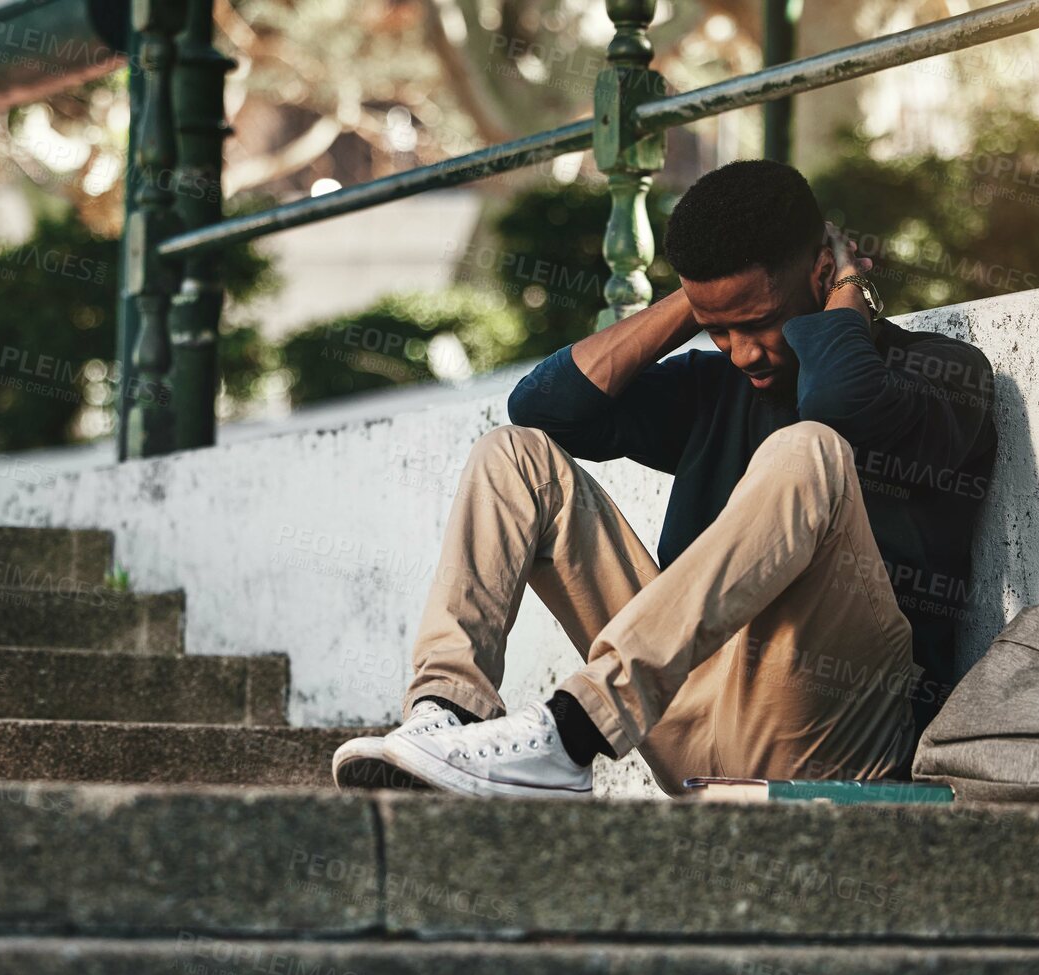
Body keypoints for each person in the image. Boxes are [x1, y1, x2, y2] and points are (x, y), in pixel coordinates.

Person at [332, 160, 997, 799]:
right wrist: (700, 298)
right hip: (679, 713)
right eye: (719, 330)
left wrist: (848, 287)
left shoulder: (943, 373)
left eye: (760, 322)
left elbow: (840, 404)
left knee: (810, 449)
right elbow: (544, 406)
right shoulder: (715, 388)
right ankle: (448, 712)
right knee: (514, 454)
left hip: (836, 730)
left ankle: (571, 731)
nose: (743, 353)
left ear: (823, 272)